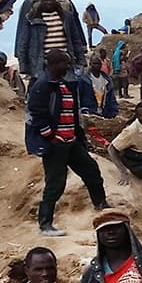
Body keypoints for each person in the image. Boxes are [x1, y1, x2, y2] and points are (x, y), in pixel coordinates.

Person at [30, 49, 110, 235]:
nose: (68, 66)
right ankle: (45, 224)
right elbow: (36, 114)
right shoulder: (43, 85)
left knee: (91, 170)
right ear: (54, 64)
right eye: (64, 63)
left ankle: (101, 206)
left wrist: (78, 136)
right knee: (55, 183)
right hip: (56, 144)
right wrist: (51, 136)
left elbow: (72, 113)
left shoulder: (64, 84)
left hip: (71, 140)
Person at [15, 0, 88, 84]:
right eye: (45, 0)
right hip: (42, 66)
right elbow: (23, 41)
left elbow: (75, 39)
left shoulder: (66, 17)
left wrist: (81, 61)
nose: (49, 3)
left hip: (66, 66)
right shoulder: (31, 18)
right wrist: (24, 66)